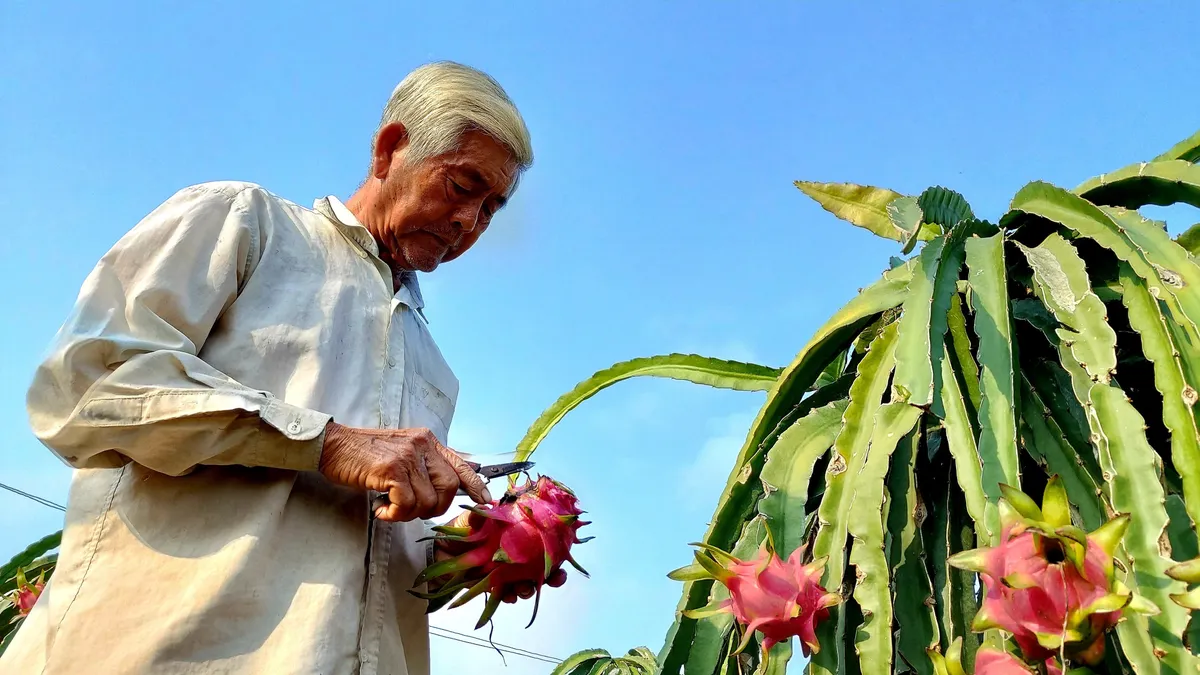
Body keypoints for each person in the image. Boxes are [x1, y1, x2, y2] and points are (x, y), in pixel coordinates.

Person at [2, 61, 553, 675]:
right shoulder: (245, 225)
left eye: (491, 208)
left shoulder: (435, 368)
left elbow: (364, 547)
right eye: (460, 186)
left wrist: (475, 557)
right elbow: (89, 383)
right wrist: (327, 442)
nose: (468, 223)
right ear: (390, 149)